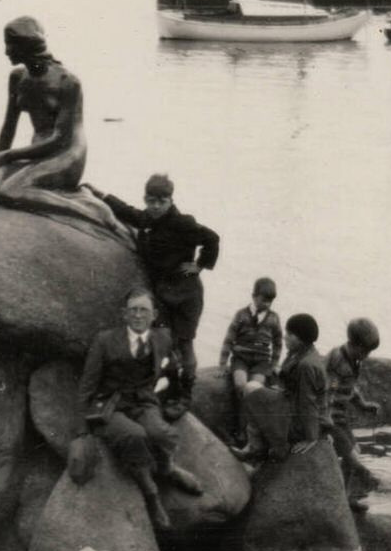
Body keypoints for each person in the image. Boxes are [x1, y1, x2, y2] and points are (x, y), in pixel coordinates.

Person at [0, 16, 133, 249]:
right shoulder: (17, 77)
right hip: (38, 151)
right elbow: (8, 127)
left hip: (67, 153)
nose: (6, 51)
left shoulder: (68, 81)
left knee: (12, 191)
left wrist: (11, 156)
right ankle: (56, 193)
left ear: (26, 47)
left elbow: (60, 139)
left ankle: (89, 209)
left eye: (10, 45)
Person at [88, 174, 220, 409]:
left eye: (161, 201)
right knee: (162, 341)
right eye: (151, 201)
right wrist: (101, 195)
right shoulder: (148, 218)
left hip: (186, 294)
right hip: (163, 293)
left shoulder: (183, 224)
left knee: (185, 343)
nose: (156, 206)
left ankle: (184, 394)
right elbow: (128, 212)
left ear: (170, 200)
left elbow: (212, 238)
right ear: (146, 200)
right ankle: (169, 385)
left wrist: (199, 266)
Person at [78, 287, 204, 530]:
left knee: (161, 433)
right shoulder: (104, 341)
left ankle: (168, 469)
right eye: (133, 310)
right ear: (124, 314)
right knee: (134, 436)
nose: (138, 315)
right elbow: (87, 385)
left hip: (144, 401)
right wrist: (81, 429)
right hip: (110, 405)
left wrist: (177, 397)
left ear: (154, 314)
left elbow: (174, 370)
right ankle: (151, 495)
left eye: (143, 310)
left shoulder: (163, 338)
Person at [236, 313, 330, 462]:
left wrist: (311, 437)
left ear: (301, 338)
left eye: (290, 334)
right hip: (295, 407)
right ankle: (257, 446)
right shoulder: (302, 352)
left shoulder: (307, 365)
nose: (285, 337)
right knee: (255, 388)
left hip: (300, 421)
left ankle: (256, 447)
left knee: (250, 389)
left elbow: (308, 402)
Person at [326, 318, 383, 511]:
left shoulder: (354, 361)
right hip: (330, 420)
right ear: (354, 344)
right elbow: (331, 388)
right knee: (353, 459)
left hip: (340, 419)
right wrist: (325, 421)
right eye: (366, 351)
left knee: (355, 452)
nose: (367, 356)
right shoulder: (338, 360)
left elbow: (350, 389)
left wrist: (363, 405)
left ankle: (345, 497)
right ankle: (362, 482)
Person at [218, 277, 283, 444]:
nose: (267, 304)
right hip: (241, 358)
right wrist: (223, 363)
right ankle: (238, 428)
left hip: (261, 362)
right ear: (254, 296)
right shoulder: (241, 315)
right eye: (264, 299)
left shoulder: (274, 318)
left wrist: (274, 364)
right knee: (240, 385)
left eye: (270, 301)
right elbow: (229, 338)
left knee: (253, 390)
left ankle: (247, 431)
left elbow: (278, 342)